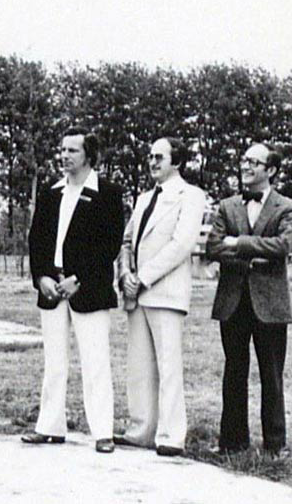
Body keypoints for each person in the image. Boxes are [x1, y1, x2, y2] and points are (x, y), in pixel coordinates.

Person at [23, 128, 123, 453]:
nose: (65, 156)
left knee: (95, 361)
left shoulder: (107, 194)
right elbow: (36, 240)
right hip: (52, 289)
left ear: (89, 156)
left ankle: (103, 432)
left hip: (88, 290)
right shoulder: (51, 193)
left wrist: (78, 278)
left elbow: (108, 246)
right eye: (63, 150)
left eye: (73, 151)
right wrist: (42, 277)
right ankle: (49, 426)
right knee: (54, 362)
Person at [206, 142, 292, 456]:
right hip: (233, 300)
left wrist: (238, 243)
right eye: (244, 160)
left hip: (270, 304)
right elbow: (213, 247)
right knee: (234, 371)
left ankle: (275, 445)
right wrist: (253, 250)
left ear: (270, 170)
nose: (245, 166)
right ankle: (232, 443)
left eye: (253, 162)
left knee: (271, 375)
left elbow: (282, 246)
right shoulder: (227, 205)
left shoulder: (288, 206)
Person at [116, 137, 206, 457]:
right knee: (139, 367)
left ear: (177, 162)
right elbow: (127, 241)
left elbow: (181, 245)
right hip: (136, 294)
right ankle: (141, 430)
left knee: (169, 366)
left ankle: (170, 435)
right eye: (150, 157)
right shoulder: (143, 199)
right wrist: (126, 275)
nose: (152, 162)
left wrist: (143, 277)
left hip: (165, 292)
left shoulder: (191, 196)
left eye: (159, 157)